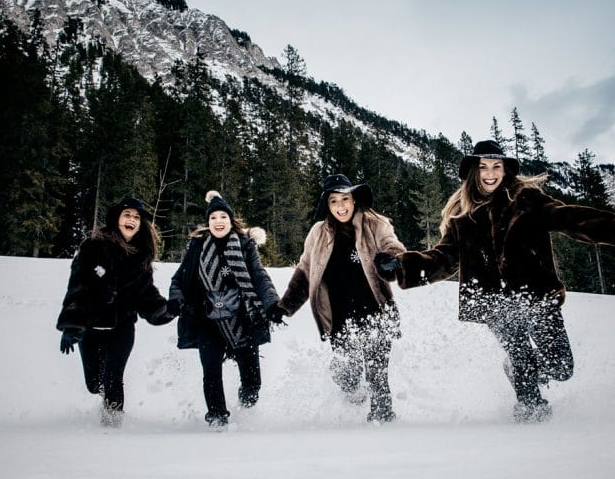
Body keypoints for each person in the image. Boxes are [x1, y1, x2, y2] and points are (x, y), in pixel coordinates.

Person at [375, 140, 615, 423]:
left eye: (496, 166)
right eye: (484, 167)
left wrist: (612, 227)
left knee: (561, 366)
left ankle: (518, 371)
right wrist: (401, 266)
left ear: (505, 170)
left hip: (534, 294)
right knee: (521, 354)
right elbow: (444, 259)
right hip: (493, 301)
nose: (490, 173)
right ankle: (530, 414)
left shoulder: (526, 200)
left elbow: (564, 216)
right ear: (474, 172)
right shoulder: (462, 219)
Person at [275, 174, 407, 423]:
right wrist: (285, 307)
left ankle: (383, 425)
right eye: (334, 201)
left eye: (345, 199)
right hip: (339, 320)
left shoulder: (374, 224)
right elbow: (304, 272)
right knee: (348, 375)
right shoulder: (318, 234)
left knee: (377, 376)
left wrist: (392, 259)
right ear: (327, 204)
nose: (341, 206)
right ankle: (352, 392)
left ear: (354, 200)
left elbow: (392, 245)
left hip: (376, 314)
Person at [56, 197, 174, 427]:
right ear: (116, 219)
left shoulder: (140, 255)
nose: (132, 220)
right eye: (127, 215)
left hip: (122, 327)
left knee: (113, 378)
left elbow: (146, 293)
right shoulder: (93, 248)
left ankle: (112, 426)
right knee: (94, 384)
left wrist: (164, 311)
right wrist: (72, 326)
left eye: (136, 217)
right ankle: (105, 407)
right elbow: (78, 287)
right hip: (91, 327)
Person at [167, 191, 281, 427]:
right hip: (207, 321)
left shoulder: (245, 245)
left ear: (231, 220)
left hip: (243, 320)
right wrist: (176, 300)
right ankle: (217, 418)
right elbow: (179, 280)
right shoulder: (198, 247)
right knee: (211, 371)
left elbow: (259, 277)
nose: (218, 221)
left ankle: (246, 406)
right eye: (213, 218)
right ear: (208, 223)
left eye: (223, 217)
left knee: (252, 385)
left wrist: (271, 303)